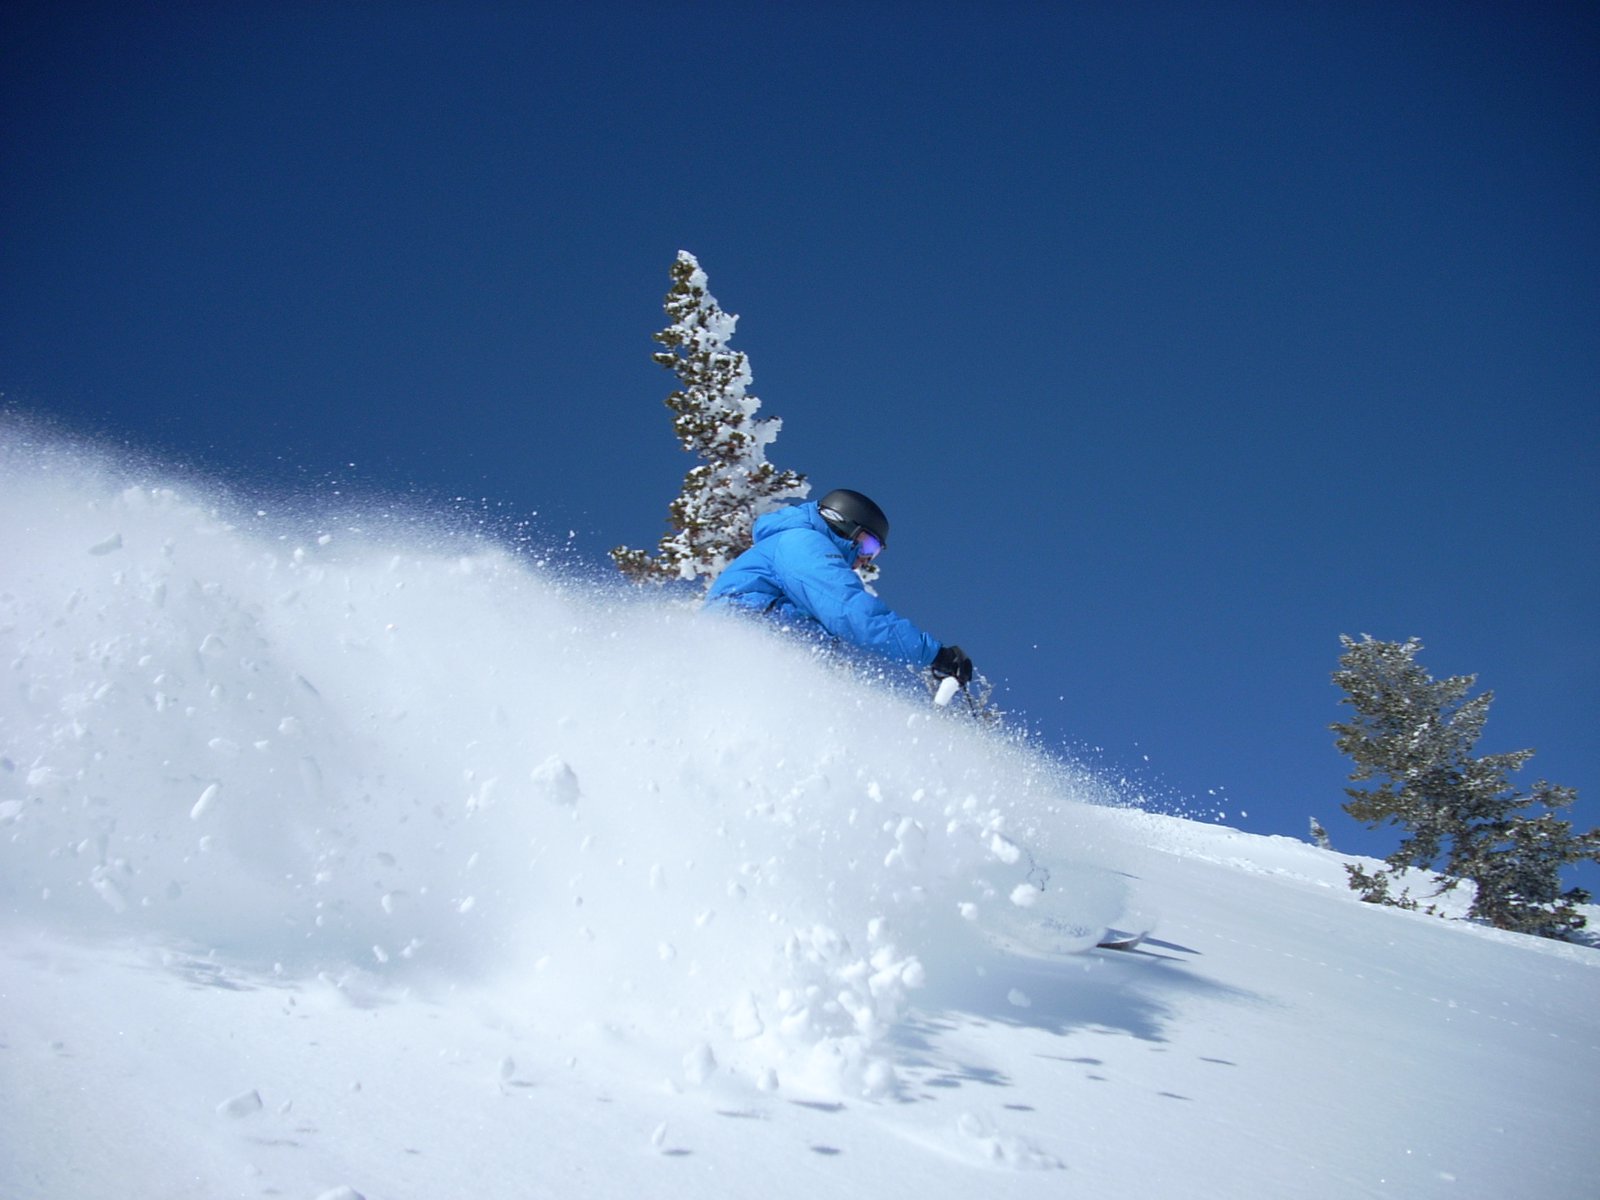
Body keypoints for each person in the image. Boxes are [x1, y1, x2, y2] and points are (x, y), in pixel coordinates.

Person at [705, 488, 975, 686]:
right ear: (842, 522)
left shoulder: (797, 544)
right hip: (742, 638)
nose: (866, 558)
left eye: (876, 553)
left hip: (746, 649)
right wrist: (934, 654)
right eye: (869, 545)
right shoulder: (802, 543)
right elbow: (849, 610)